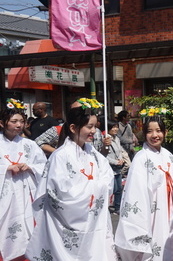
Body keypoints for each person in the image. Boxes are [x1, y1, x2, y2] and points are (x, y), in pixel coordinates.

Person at [26, 99, 118, 261]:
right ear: (73, 128)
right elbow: (59, 192)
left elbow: (107, 176)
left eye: (95, 126)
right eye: (89, 127)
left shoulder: (93, 153)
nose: (94, 131)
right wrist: (94, 187)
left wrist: (98, 186)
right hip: (68, 219)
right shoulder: (60, 156)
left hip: (93, 218)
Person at [115, 108, 173, 261]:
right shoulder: (141, 158)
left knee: (171, 246)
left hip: (171, 213)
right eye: (150, 131)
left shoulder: (168, 156)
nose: (155, 135)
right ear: (144, 134)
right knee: (155, 248)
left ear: (164, 133)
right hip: (151, 215)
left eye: (158, 131)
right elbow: (135, 194)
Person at [0, 98, 47, 261]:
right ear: (2, 123)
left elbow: (43, 166)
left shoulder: (30, 144)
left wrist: (31, 167)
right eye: (14, 121)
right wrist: (5, 168)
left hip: (26, 191)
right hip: (6, 193)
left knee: (28, 224)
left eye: (21, 121)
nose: (19, 125)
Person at [104, 120, 125, 215]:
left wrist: (121, 160)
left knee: (119, 189)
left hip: (118, 168)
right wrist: (116, 162)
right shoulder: (106, 140)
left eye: (116, 127)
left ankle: (117, 207)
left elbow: (119, 151)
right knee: (113, 189)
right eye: (113, 127)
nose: (115, 129)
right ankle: (106, 207)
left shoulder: (117, 138)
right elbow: (104, 156)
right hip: (110, 168)